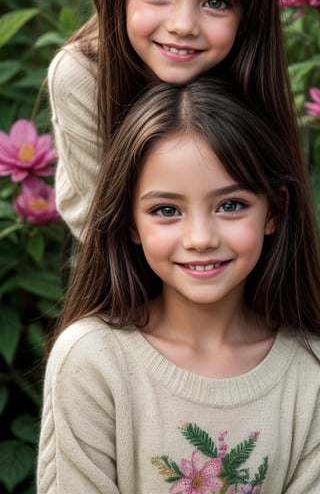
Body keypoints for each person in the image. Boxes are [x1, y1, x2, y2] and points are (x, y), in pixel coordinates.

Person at [37, 78, 320, 493]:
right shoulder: (92, 361)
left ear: (274, 211)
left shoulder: (309, 372)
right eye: (166, 210)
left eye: (231, 205)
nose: (200, 238)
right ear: (131, 223)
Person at [48, 0, 302, 240]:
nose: (183, 25)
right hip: (118, 275)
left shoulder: (247, 64)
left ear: (250, 11)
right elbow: (102, 232)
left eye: (216, 1)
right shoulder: (82, 75)